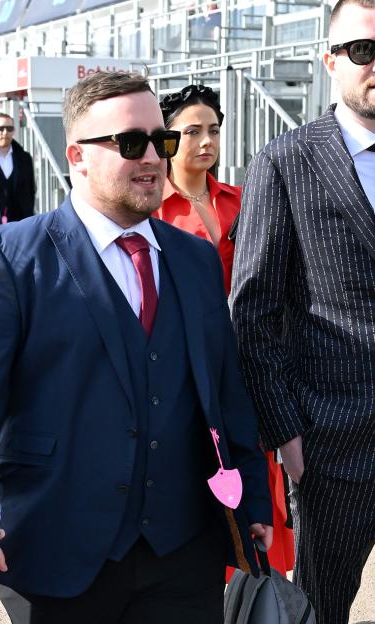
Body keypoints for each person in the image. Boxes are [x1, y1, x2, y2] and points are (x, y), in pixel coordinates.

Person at [0, 71, 273, 623]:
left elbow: (225, 388)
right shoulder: (10, 256)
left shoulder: (194, 258)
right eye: (130, 143)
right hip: (60, 548)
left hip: (184, 550)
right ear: (77, 155)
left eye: (161, 142)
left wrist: (252, 494)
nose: (153, 159)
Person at [231, 1, 375, 621]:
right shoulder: (285, 162)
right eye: (364, 50)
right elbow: (254, 313)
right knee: (321, 609)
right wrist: (287, 433)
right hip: (330, 440)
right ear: (330, 60)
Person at [155, 85, 295, 577]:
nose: (205, 141)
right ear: (167, 139)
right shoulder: (151, 210)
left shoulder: (243, 200)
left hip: (251, 361)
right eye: (191, 131)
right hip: (184, 365)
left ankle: (259, 582)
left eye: (213, 130)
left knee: (258, 471)